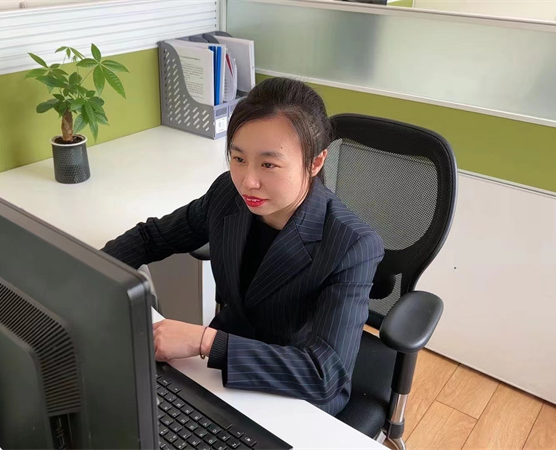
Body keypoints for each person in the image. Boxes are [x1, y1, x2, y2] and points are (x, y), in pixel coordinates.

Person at [101, 77, 384, 415]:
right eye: (238, 158)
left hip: (296, 389)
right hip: (222, 364)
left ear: (315, 162)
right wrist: (90, 273)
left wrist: (205, 341)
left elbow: (325, 375)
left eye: (269, 164)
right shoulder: (227, 194)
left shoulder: (353, 244)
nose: (248, 181)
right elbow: (153, 237)